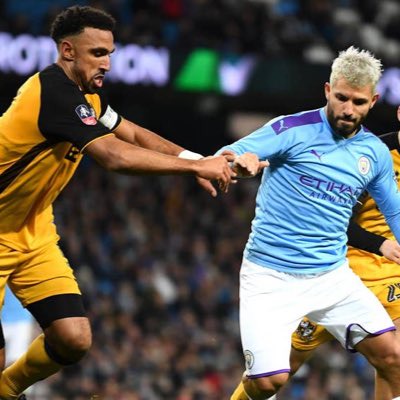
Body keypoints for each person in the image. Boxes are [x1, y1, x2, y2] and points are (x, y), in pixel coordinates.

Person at [0, 5, 267, 399]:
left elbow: (134, 135)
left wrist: (197, 161)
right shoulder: (52, 92)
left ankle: (7, 390)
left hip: (33, 230)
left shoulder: (87, 98)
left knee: (73, 338)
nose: (107, 63)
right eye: (97, 53)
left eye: (109, 53)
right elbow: (114, 156)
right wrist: (193, 169)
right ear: (67, 51)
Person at [217, 46, 400, 400]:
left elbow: (395, 213)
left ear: (373, 101)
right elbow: (225, 157)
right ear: (328, 90)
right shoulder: (290, 129)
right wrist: (239, 164)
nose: (348, 109)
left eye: (359, 102)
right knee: (269, 381)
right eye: (342, 98)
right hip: (271, 275)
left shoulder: (373, 152)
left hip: (333, 276)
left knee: (393, 358)